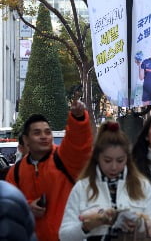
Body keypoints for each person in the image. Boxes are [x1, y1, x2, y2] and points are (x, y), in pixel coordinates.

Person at [5, 99, 92, 241]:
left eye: (47, 132)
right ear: (26, 140)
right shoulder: (15, 173)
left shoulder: (64, 159)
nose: (44, 136)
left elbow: (79, 145)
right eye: (37, 133)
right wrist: (28, 208)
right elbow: (8, 207)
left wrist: (78, 118)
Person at [59, 121, 151, 240]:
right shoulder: (82, 187)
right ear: (97, 157)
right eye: (107, 160)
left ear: (127, 159)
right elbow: (64, 235)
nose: (114, 167)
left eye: (120, 160)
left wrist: (140, 224)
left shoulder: (142, 186)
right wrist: (88, 225)